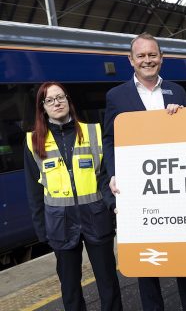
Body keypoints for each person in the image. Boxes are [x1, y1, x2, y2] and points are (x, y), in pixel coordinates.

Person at [102, 32, 186, 311]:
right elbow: (111, 138)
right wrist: (114, 172)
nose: (148, 60)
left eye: (152, 55)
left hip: (177, 187)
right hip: (139, 190)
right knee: (147, 260)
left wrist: (183, 118)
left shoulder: (177, 91)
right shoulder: (116, 96)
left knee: (183, 256)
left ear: (161, 58)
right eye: (142, 56)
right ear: (131, 60)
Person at [24, 82, 122, 310]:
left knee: (108, 283)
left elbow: (105, 177)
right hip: (60, 221)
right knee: (70, 288)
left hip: (97, 217)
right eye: (50, 100)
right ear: (43, 107)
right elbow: (34, 191)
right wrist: (42, 230)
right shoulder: (32, 141)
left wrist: (113, 208)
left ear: (68, 100)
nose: (57, 103)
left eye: (61, 97)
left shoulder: (93, 132)